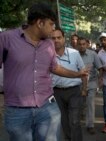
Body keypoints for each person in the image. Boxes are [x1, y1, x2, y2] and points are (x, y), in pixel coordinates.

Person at [0, 2, 88, 141]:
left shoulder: (48, 44)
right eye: (51, 24)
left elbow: (54, 67)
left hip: (47, 107)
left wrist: (77, 74)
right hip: (17, 110)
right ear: (40, 23)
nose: (53, 29)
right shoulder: (6, 39)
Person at [51, 28, 86, 141]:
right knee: (63, 121)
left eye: (59, 37)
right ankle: (69, 138)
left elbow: (83, 72)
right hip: (56, 92)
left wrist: (84, 89)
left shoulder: (74, 53)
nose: (56, 40)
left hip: (74, 91)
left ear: (64, 38)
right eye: (53, 38)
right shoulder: (47, 55)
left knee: (75, 121)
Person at [78, 37, 103, 134]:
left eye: (84, 44)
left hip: (91, 83)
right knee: (79, 104)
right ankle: (77, 123)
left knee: (90, 104)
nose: (82, 46)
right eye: (80, 44)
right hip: (78, 83)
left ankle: (90, 125)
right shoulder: (73, 55)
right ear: (77, 45)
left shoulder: (93, 54)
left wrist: (100, 79)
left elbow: (100, 68)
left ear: (87, 45)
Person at [97, 32, 106, 133]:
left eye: (105, 39)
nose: (103, 41)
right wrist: (100, 79)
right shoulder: (99, 53)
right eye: (102, 40)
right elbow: (100, 68)